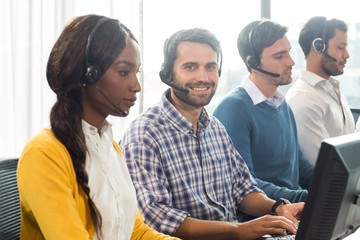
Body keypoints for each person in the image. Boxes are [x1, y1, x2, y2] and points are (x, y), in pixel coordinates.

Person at [121, 28, 303, 240]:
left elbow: (243, 190)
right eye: (190, 67)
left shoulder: (215, 127)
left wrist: (279, 208)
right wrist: (240, 230)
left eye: (210, 67)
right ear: (167, 74)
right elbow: (158, 219)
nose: (203, 77)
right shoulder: (144, 134)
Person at [17, 14, 179, 240]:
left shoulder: (109, 147)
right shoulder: (43, 154)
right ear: (87, 73)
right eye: (124, 72)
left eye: (136, 72)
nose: (136, 86)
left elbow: (135, 232)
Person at [213, 20, 313, 205]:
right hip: (265, 217)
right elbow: (244, 184)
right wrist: (304, 198)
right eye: (279, 56)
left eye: (289, 52)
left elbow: (299, 166)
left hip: (292, 210)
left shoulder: (282, 105)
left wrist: (334, 188)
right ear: (253, 62)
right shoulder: (234, 109)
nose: (291, 61)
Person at [285, 16, 354, 164]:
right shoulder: (303, 100)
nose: (347, 55)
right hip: (330, 186)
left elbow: (351, 151)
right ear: (318, 46)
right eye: (340, 47)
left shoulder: (333, 90)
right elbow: (326, 166)